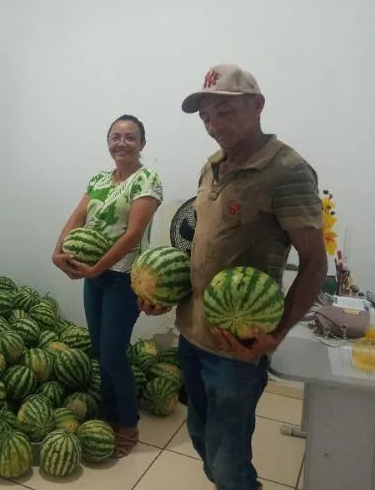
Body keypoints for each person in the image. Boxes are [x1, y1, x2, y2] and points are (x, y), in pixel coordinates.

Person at [139, 65, 327, 489]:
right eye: (206, 116)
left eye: (224, 112)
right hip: (192, 332)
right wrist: (165, 294)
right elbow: (204, 251)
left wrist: (274, 335)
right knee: (201, 439)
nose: (213, 125)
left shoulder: (288, 170)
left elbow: (315, 263)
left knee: (227, 462)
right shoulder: (211, 165)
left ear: (257, 106)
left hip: (237, 347)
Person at [52, 114, 163, 457]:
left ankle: (127, 423)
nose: (122, 143)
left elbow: (132, 235)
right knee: (101, 350)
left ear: (142, 144)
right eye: (116, 136)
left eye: (130, 137)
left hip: (123, 277)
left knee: (114, 352)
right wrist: (57, 252)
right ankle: (108, 414)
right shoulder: (99, 179)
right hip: (95, 275)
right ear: (108, 142)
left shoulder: (148, 180)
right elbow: (77, 218)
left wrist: (96, 268)